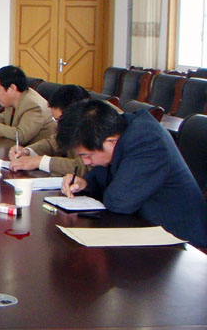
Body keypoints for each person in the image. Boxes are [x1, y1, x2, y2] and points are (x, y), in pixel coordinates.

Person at [58, 100, 207, 246]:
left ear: (111, 142)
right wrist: (85, 182)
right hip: (145, 229)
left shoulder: (148, 141)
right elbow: (107, 176)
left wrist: (97, 184)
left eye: (87, 155)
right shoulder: (119, 130)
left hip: (182, 242)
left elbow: (118, 202)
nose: (85, 162)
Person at [8, 84, 90, 175]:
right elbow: (52, 144)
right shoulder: (70, 128)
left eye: (60, 120)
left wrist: (39, 162)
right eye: (55, 119)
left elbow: (85, 168)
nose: (57, 125)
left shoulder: (95, 129)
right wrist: (27, 152)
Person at [0, 65, 56, 145]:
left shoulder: (33, 106)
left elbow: (21, 136)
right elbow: (2, 121)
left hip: (37, 153)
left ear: (12, 88)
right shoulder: (14, 100)